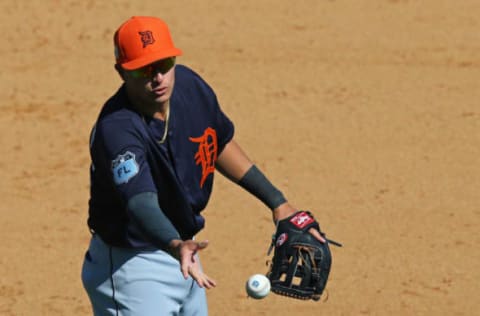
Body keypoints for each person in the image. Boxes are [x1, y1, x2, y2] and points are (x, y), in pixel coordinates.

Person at [81, 16, 326, 316]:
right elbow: (139, 202)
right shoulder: (117, 129)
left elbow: (218, 142)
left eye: (164, 62)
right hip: (133, 269)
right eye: (143, 69)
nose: (158, 77)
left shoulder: (189, 87)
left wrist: (278, 203)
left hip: (186, 255)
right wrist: (175, 245)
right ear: (122, 72)